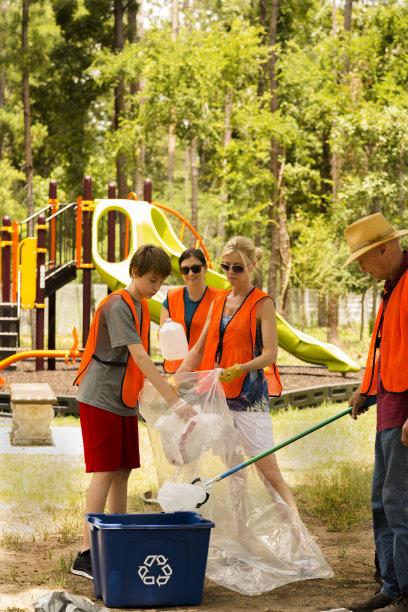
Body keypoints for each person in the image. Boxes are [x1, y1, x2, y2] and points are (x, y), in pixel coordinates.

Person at [70, 244, 196, 580]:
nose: (157, 288)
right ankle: (85, 553)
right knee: (105, 469)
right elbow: (140, 358)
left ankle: (115, 536)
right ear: (135, 274)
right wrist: (174, 401)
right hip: (100, 398)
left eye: (161, 282)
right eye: (152, 280)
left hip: (124, 399)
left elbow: (142, 363)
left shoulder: (141, 306)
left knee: (123, 468)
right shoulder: (118, 305)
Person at [175, 236, 299, 516]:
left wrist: (240, 368)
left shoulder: (262, 302)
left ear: (252, 266)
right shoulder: (218, 301)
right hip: (217, 397)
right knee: (233, 469)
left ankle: (297, 535)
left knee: (267, 469)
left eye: (238, 268)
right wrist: (175, 377)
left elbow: (271, 354)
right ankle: (242, 535)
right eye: (226, 266)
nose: (230, 273)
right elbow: (198, 348)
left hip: (249, 397)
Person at [343, 213, 408, 612]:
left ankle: (404, 588)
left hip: (403, 414)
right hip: (387, 406)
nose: (363, 270)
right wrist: (365, 391)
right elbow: (388, 348)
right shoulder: (391, 286)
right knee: (381, 500)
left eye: (364, 260)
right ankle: (391, 582)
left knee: (399, 500)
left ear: (383, 249)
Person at [159, 248, 222, 373]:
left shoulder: (219, 298)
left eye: (195, 268)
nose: (190, 273)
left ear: (205, 268)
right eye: (185, 270)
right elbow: (162, 332)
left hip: (206, 371)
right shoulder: (172, 297)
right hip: (176, 370)